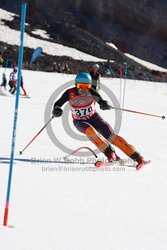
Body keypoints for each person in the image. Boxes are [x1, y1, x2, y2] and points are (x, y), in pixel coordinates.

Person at [52, 72, 146, 169]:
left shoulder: (91, 92)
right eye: (81, 86)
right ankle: (111, 154)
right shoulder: (69, 93)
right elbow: (58, 103)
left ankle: (138, 157)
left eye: (86, 86)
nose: (84, 89)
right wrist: (56, 109)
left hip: (94, 117)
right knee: (90, 132)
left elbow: (101, 101)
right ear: (76, 85)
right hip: (79, 121)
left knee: (111, 137)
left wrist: (104, 104)